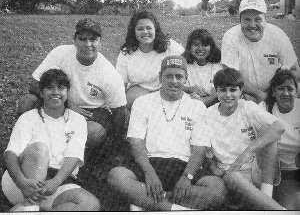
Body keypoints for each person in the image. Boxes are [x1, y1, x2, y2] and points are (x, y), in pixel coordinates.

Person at [107, 55, 226, 211]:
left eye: (179, 76)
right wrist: (149, 173)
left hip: (182, 165)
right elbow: (136, 143)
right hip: (149, 163)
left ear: (186, 79)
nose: (174, 81)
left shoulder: (197, 107)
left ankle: (145, 201)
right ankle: (176, 209)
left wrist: (186, 177)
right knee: (116, 176)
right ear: (160, 77)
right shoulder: (143, 102)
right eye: (169, 76)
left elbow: (199, 149)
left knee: (218, 189)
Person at [17, 18, 127, 159]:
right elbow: (34, 85)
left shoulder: (109, 73)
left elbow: (119, 112)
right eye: (82, 39)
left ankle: (66, 157)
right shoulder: (60, 53)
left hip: (91, 111)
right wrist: (67, 104)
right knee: (27, 101)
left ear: (100, 42)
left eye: (93, 39)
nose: (88, 44)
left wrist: (116, 146)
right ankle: (23, 145)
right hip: (59, 102)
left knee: (94, 132)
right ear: (74, 40)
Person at [1, 69, 100, 211]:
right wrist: (22, 183)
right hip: (22, 183)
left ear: (67, 92)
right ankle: (29, 205)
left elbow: (73, 156)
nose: (56, 92)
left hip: (56, 183)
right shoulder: (28, 117)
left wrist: (55, 182)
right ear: (41, 93)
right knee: (40, 149)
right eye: (49, 88)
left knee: (90, 204)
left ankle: (24, 210)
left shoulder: (77, 120)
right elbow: (10, 154)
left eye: (61, 88)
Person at [203, 67, 285, 210]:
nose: (228, 95)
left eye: (233, 90)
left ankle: (266, 196)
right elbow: (205, 148)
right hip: (231, 174)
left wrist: (248, 151)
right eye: (223, 90)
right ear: (216, 91)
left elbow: (279, 127)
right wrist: (212, 166)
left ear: (241, 91)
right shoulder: (207, 115)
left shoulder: (248, 107)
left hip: (256, 169)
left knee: (268, 131)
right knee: (233, 177)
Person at [221, 0, 300, 103]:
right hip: (242, 94)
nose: (252, 25)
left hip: (274, 91)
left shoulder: (278, 35)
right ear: (240, 21)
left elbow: (296, 71)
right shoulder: (230, 36)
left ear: (265, 20)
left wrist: (277, 86)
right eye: (247, 19)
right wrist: (261, 96)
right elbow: (231, 75)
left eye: (258, 19)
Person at [116, 10, 184, 110]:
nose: (145, 32)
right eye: (140, 29)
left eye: (149, 28)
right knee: (133, 97)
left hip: (167, 91)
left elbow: (186, 62)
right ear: (134, 32)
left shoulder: (169, 46)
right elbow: (120, 84)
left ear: (155, 29)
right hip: (140, 94)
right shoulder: (126, 52)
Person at [260, 69, 300, 210]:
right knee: (294, 206)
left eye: (290, 89)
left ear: (296, 91)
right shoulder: (264, 108)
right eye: (280, 89)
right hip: (282, 174)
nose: (286, 93)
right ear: (273, 92)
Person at [182, 29, 222, 107]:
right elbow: (177, 86)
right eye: (196, 45)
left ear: (211, 47)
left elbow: (217, 94)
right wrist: (190, 89)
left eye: (205, 45)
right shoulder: (184, 65)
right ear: (190, 47)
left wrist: (201, 102)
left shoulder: (218, 66)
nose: (200, 48)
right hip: (189, 106)